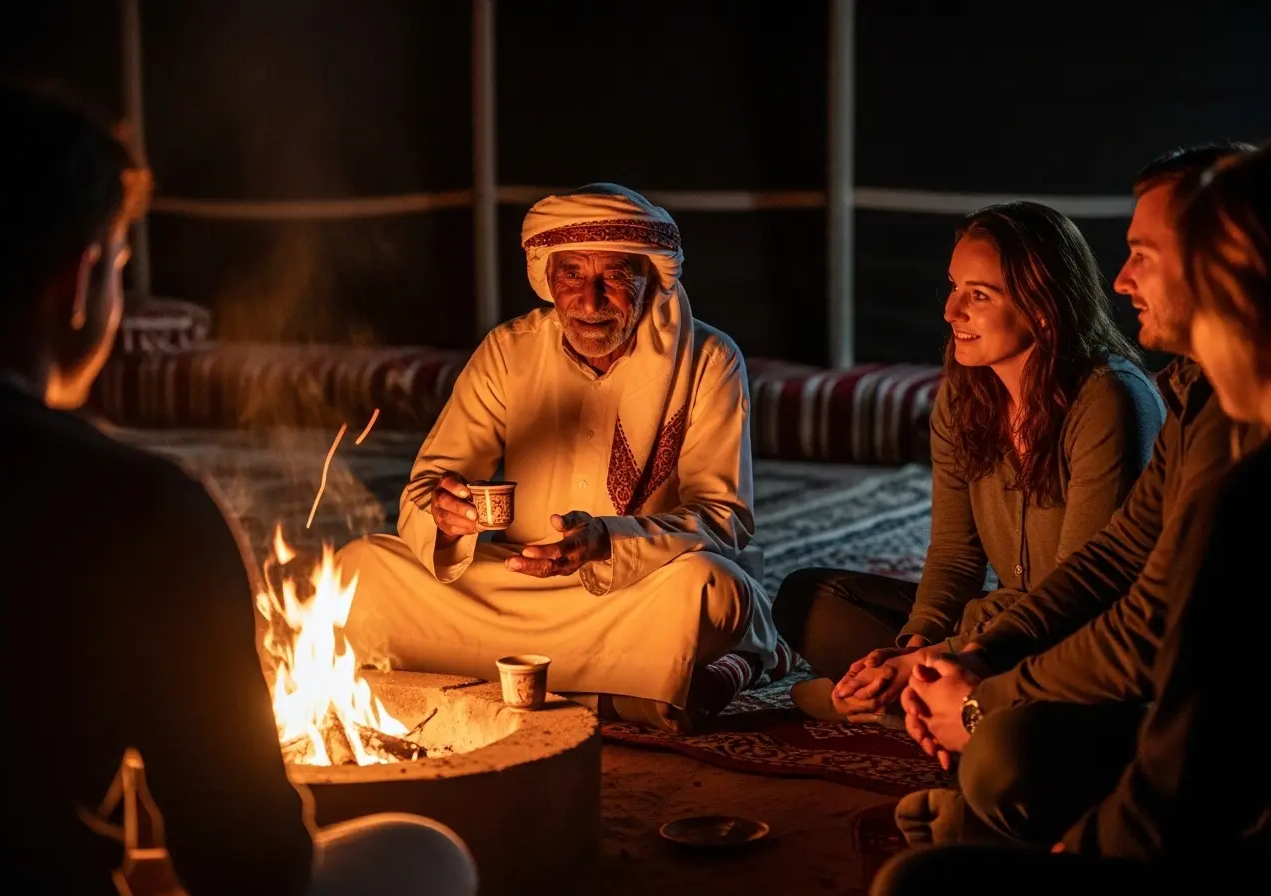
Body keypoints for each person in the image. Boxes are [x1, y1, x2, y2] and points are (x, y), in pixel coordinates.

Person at [0, 86, 475, 895]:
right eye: (117, 265)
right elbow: (253, 867)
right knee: (428, 858)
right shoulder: (140, 512)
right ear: (79, 284)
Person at [874, 144, 1271, 896]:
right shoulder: (1195, 394)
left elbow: (1153, 634)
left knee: (985, 781)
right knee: (818, 602)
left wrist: (979, 693)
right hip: (1087, 674)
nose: (1122, 280)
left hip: (1199, 781)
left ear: (1227, 269)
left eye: (1143, 255)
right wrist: (960, 653)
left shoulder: (1152, 410)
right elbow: (1112, 558)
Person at [337, 184, 779, 732]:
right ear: (548, 278)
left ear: (651, 280)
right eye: (572, 275)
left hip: (635, 588)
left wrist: (606, 539)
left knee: (710, 590)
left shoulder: (709, 359)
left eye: (615, 276)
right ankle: (626, 694)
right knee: (362, 569)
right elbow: (430, 483)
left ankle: (500, 677)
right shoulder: (509, 350)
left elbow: (722, 517)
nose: (589, 302)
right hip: (512, 579)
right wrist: (447, 517)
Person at [774, 201, 1163, 719]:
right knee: (809, 598)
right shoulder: (963, 396)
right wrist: (917, 645)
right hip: (994, 626)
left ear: (1042, 306)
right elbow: (956, 553)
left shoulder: (1108, 399)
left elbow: (1081, 591)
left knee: (1045, 702)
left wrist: (937, 660)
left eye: (978, 295)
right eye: (954, 287)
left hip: (1079, 635)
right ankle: (930, 703)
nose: (951, 312)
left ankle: (912, 706)